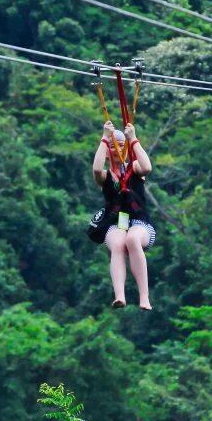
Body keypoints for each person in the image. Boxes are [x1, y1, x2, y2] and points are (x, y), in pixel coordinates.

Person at [92, 120, 154, 309]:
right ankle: (120, 296)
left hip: (139, 223)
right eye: (113, 147)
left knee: (132, 240)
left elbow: (147, 167)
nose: (116, 150)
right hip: (116, 223)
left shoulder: (134, 168)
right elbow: (96, 169)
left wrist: (133, 139)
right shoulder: (105, 176)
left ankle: (144, 297)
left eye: (120, 146)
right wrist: (104, 138)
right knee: (118, 243)